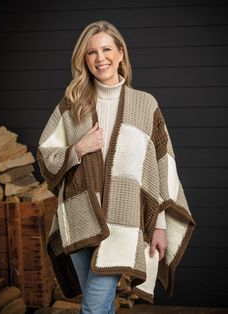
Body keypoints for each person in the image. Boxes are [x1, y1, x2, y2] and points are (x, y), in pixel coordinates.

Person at [36, 20, 196, 314]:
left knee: (93, 308)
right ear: (84, 59)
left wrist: (159, 225)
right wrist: (78, 149)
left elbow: (161, 168)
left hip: (123, 223)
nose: (100, 58)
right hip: (79, 215)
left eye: (107, 49)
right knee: (102, 305)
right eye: (91, 52)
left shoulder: (144, 105)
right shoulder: (73, 104)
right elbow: (47, 152)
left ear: (121, 53)